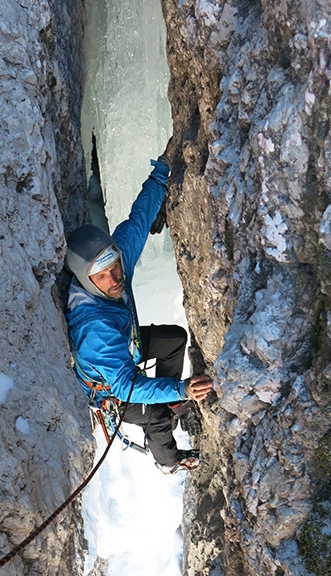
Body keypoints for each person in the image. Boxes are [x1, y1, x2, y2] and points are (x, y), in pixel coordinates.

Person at [65, 139, 213, 474]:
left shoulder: (111, 264)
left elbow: (138, 221)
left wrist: (163, 167)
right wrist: (183, 388)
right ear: (88, 280)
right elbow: (125, 386)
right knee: (156, 415)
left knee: (174, 339)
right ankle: (168, 459)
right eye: (103, 277)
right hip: (112, 390)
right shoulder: (94, 328)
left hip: (126, 348)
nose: (115, 278)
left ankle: (170, 399)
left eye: (116, 267)